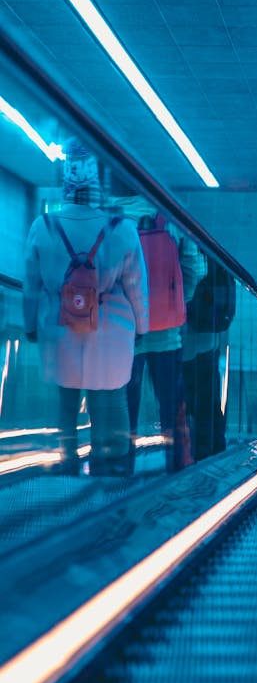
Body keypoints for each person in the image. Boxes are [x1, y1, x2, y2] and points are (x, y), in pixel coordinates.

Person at [22, 138, 148, 476]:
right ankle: (112, 465)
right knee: (109, 398)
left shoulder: (43, 226)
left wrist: (30, 325)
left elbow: (31, 284)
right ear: (97, 181)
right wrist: (142, 325)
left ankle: (66, 462)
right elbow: (137, 286)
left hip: (58, 326)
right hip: (111, 329)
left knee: (65, 398)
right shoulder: (121, 229)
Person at [114, 193, 206, 474]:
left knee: (123, 408)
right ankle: (179, 467)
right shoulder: (171, 219)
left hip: (124, 334)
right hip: (167, 334)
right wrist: (178, 302)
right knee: (172, 407)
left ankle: (120, 472)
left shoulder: (112, 221)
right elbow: (196, 268)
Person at [182, 252, 236, 461]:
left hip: (188, 337)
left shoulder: (184, 237)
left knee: (192, 400)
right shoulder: (211, 245)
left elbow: (192, 277)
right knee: (209, 398)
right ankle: (213, 452)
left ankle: (198, 454)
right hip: (209, 335)